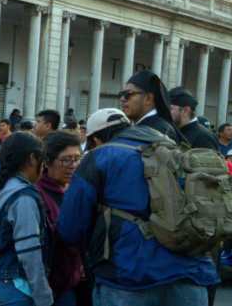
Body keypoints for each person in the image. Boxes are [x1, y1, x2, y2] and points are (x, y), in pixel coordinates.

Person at [58, 108, 217, 306]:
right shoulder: (175, 149)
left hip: (128, 277)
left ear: (96, 139)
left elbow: (70, 227)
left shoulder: (100, 157)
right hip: (191, 274)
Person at [0, 132, 52, 306]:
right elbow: (29, 252)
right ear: (32, 159)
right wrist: (43, 295)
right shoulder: (24, 197)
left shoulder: (8, 187)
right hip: (16, 286)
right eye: (43, 159)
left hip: (0, 280)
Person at [36, 131, 84, 306]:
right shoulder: (37, 194)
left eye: (77, 159)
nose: (73, 165)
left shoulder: (76, 190)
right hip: (49, 282)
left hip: (72, 279)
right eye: (66, 160)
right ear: (48, 162)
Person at [120, 70, 181, 142]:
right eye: (121, 94)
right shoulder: (140, 126)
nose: (122, 99)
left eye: (128, 94)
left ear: (148, 99)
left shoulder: (160, 131)